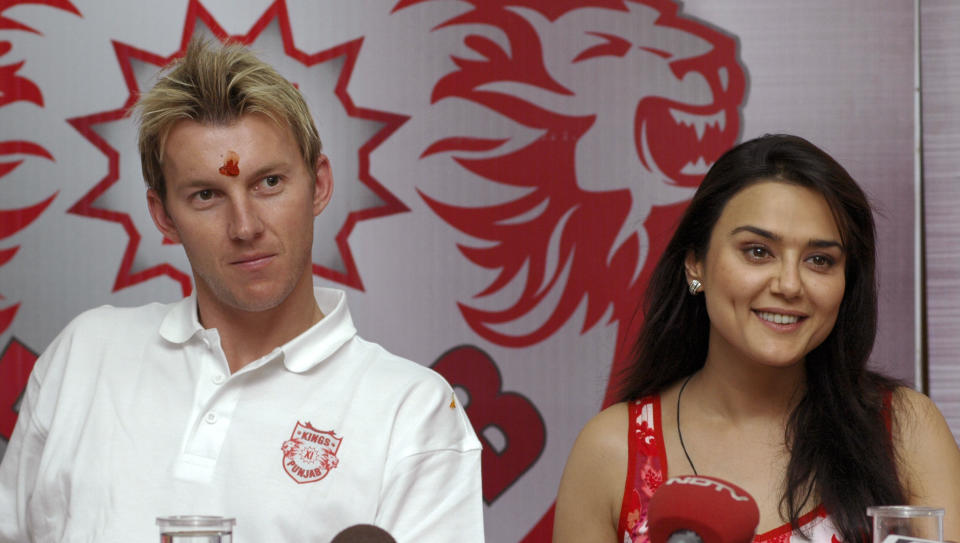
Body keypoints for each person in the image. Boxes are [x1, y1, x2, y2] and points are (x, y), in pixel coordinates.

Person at [0, 39, 483, 542]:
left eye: (269, 183)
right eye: (206, 195)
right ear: (164, 215)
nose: (245, 225)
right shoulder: (83, 356)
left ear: (318, 185)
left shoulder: (412, 411)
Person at [553, 134, 960, 543]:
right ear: (695, 263)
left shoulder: (903, 430)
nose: (789, 284)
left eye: (819, 260)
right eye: (758, 251)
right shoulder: (614, 451)